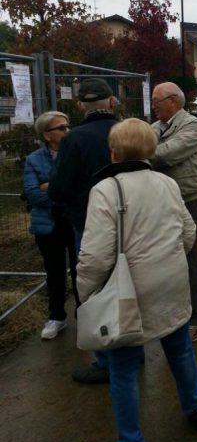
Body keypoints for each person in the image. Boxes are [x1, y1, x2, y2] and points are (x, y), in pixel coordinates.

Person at [76, 118, 197, 442]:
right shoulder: (167, 182)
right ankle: (196, 409)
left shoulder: (106, 190)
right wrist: (169, 260)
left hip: (129, 291)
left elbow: (95, 255)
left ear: (113, 151)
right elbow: (188, 233)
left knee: (123, 369)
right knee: (179, 348)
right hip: (171, 281)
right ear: (150, 148)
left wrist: (85, 294)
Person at [49, 77, 118, 383]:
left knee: (94, 292)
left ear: (80, 106)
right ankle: (133, 348)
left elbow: (59, 188)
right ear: (112, 102)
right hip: (128, 224)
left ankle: (106, 360)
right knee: (126, 285)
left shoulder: (73, 139)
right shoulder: (128, 131)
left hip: (89, 226)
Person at [151, 82, 197, 342]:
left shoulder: (191, 126)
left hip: (190, 200)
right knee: (165, 258)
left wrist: (139, 151)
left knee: (191, 258)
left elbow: (165, 155)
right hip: (163, 201)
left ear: (173, 101)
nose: (153, 105)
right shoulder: (155, 127)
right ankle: (172, 312)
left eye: (156, 100)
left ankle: (196, 315)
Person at [23, 111, 78, 340]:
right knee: (54, 272)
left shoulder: (75, 154)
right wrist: (61, 192)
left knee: (80, 271)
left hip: (74, 221)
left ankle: (85, 315)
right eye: (61, 128)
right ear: (47, 135)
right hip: (48, 225)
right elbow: (33, 194)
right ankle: (56, 317)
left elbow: (80, 188)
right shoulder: (33, 160)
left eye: (68, 126)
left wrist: (51, 187)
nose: (68, 131)